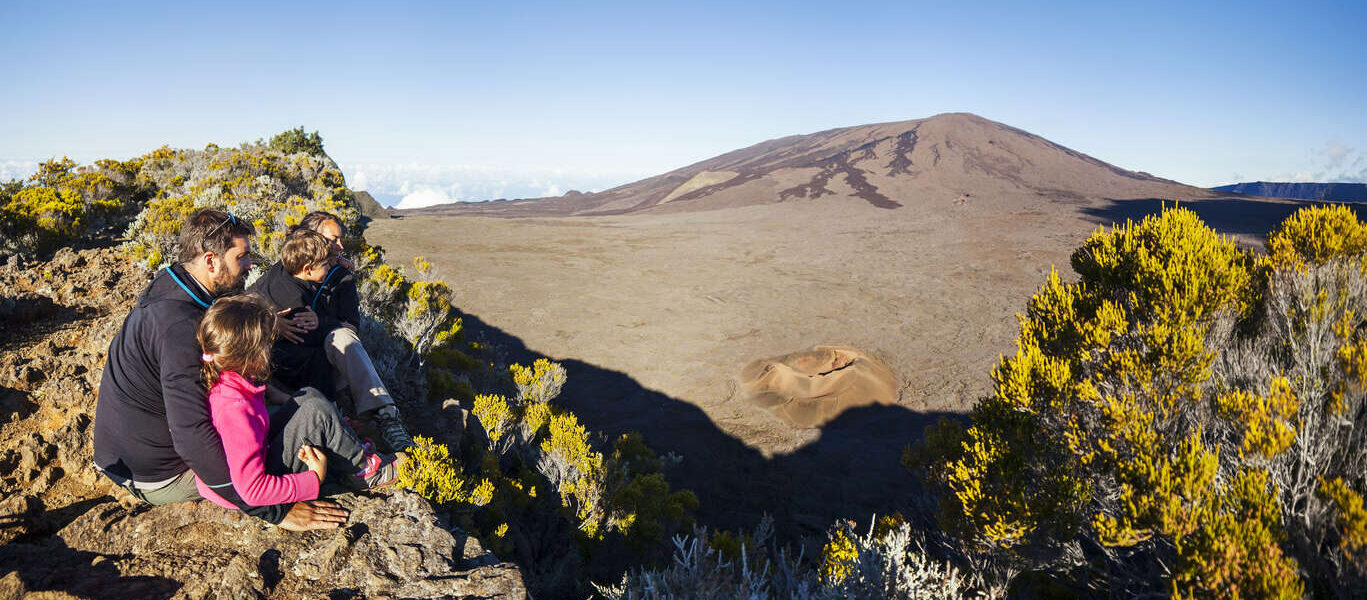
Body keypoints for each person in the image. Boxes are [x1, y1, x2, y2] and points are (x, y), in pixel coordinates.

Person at [93, 208, 349, 530]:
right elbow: (191, 436)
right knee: (299, 434)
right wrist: (275, 512)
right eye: (241, 257)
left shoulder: (174, 285)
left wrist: (279, 396)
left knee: (291, 409)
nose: (250, 265)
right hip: (157, 474)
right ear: (211, 261)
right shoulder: (180, 329)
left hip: (125, 454)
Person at [194, 294, 400, 511]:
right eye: (266, 343)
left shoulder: (231, 381)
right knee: (316, 411)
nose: (270, 348)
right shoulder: (235, 408)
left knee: (308, 396)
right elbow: (252, 491)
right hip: (251, 487)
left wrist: (332, 422)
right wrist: (313, 479)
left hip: (261, 456)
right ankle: (363, 472)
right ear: (249, 355)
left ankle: (344, 443)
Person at [249, 214, 415, 452]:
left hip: (324, 359)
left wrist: (322, 323)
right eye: (333, 240)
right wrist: (270, 323)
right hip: (284, 364)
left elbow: (350, 325)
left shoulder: (341, 276)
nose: (340, 246)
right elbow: (241, 307)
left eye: (340, 240)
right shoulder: (284, 273)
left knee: (342, 338)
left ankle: (385, 415)